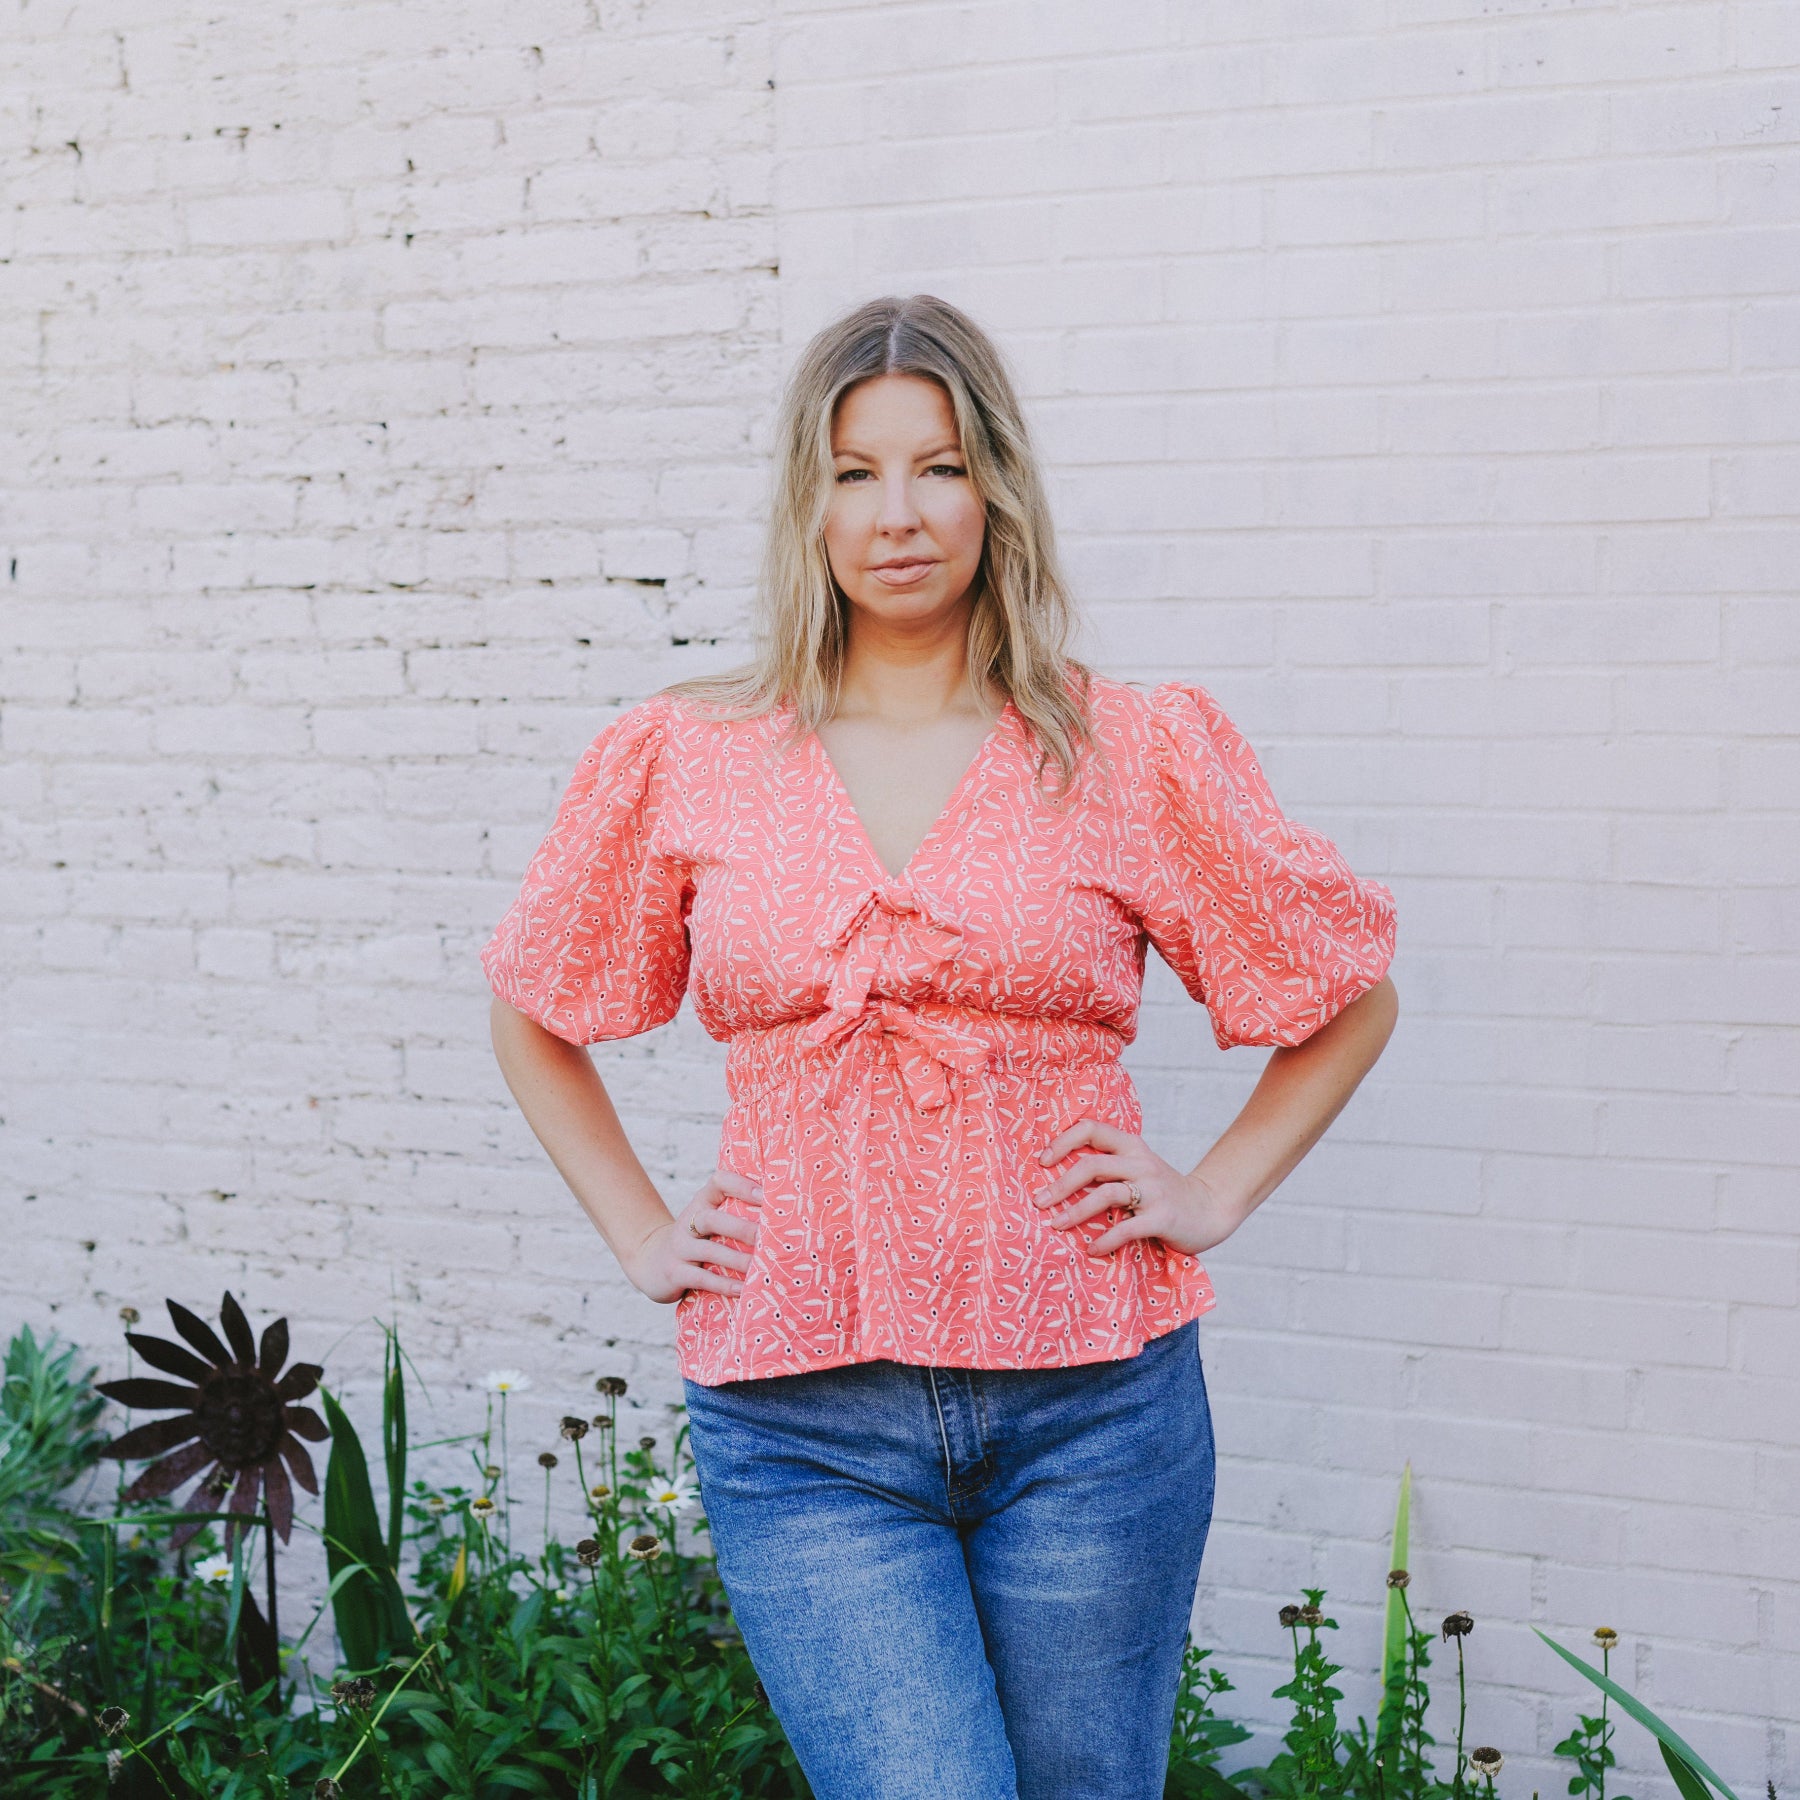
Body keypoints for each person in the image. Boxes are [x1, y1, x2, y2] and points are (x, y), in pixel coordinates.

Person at [482, 294, 1398, 1800]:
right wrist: (643, 1232)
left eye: (940, 466)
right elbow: (536, 1006)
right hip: (802, 1426)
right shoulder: (687, 753)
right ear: (808, 501)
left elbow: (1346, 991)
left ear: (999, 489)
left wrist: (1211, 1191)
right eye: (854, 472)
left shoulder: (1131, 749)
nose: (897, 514)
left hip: (1094, 1406)